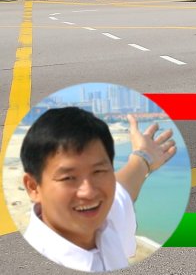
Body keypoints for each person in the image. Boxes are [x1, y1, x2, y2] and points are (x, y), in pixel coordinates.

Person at [20, 107, 176, 272]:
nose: (89, 192)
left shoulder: (103, 221)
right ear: (33, 187)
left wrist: (144, 156)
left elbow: (123, 189)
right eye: (68, 178)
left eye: (98, 171)